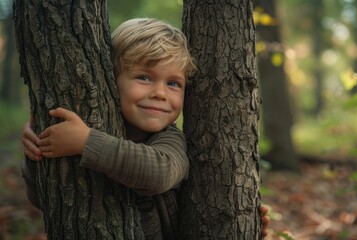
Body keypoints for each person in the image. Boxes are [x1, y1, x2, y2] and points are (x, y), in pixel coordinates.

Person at [21, 18, 270, 239]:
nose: (160, 93)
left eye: (173, 83)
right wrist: (36, 154)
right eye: (144, 77)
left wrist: (87, 142)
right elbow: (43, 200)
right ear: (111, 80)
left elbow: (158, 174)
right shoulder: (95, 125)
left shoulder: (170, 140)